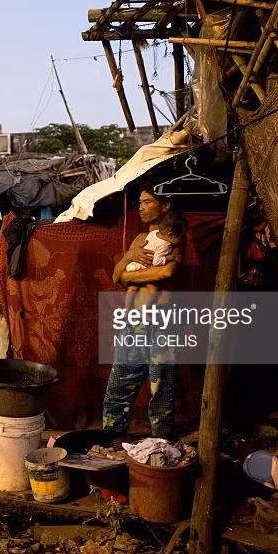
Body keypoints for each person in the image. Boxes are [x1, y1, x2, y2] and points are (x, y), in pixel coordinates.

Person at [103, 186, 186, 440]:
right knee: (119, 385)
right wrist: (129, 257)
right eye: (139, 202)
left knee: (160, 387)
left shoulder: (175, 235)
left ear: (165, 205)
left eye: (147, 202)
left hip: (162, 319)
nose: (140, 207)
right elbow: (117, 275)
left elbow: (166, 273)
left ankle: (161, 445)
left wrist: (130, 275)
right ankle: (110, 441)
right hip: (133, 322)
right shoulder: (139, 239)